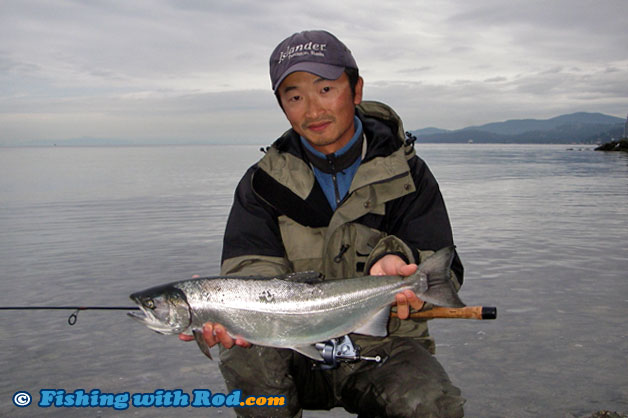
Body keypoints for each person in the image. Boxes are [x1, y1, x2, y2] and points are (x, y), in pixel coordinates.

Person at [181, 30, 465, 417]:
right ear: (281, 105)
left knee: (430, 406)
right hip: (286, 343)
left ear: (356, 89)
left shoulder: (408, 174)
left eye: (326, 89)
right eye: (294, 96)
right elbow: (249, 269)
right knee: (242, 356)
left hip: (382, 344)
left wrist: (401, 263)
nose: (312, 110)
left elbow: (443, 269)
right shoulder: (261, 185)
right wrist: (227, 313)